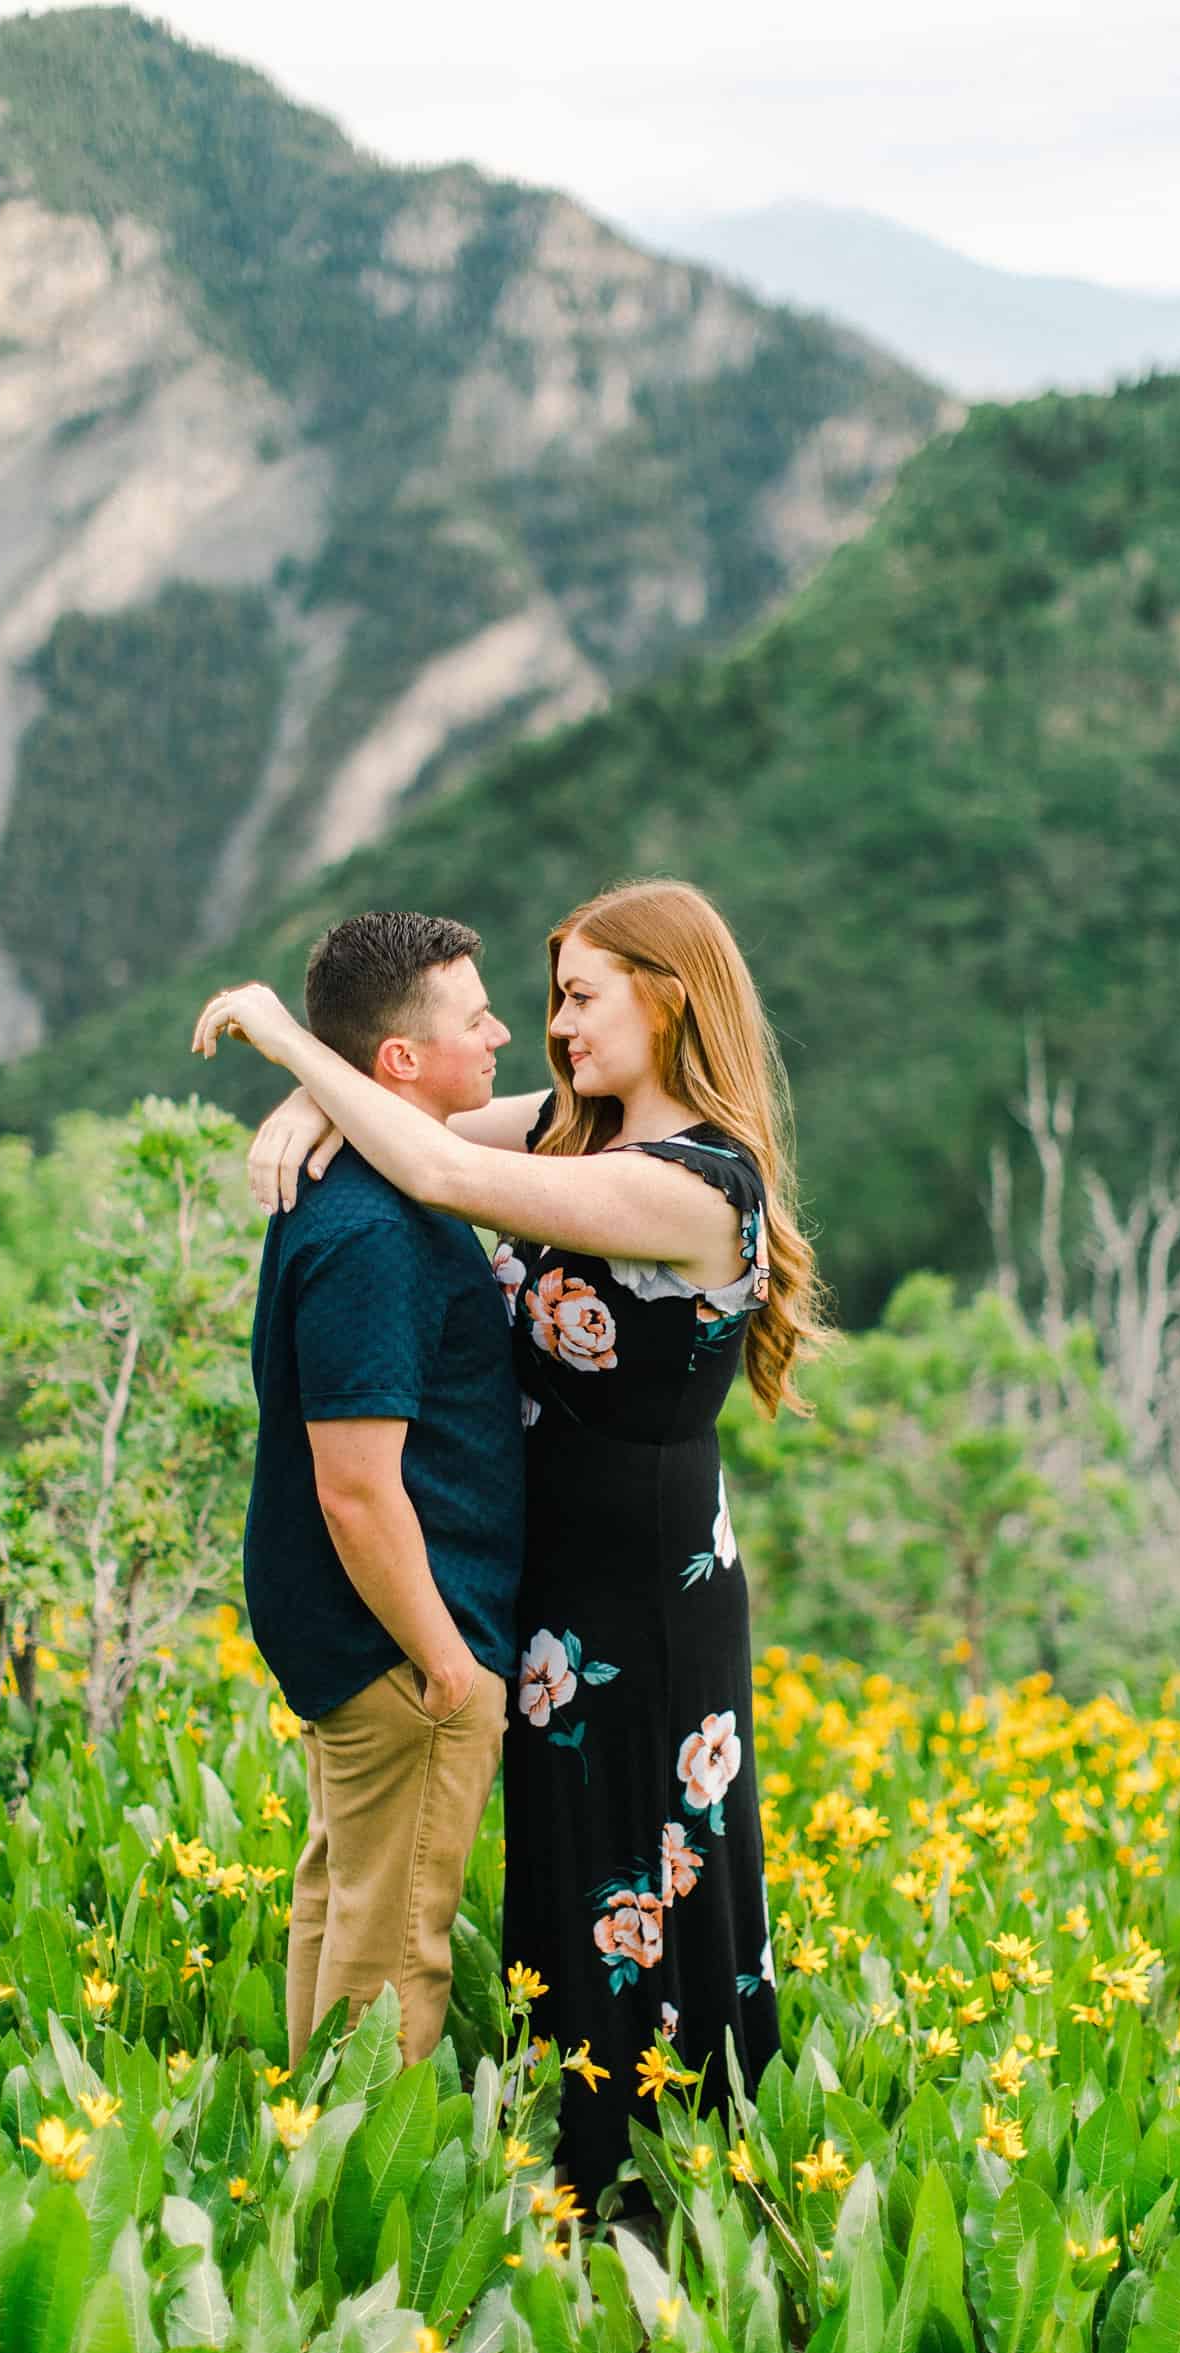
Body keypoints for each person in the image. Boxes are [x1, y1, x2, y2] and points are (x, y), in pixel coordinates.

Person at [196, 879, 827, 2208]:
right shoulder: (570, 1127)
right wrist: (333, 1091)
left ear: (669, 1000)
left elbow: (428, 1162)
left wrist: (281, 1040)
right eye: (549, 997)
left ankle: (654, 2192)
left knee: (646, 1869)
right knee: (565, 1883)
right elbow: (411, 1107)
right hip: (541, 1585)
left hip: (644, 1585)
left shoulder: (698, 1187)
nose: (552, 1026)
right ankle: (569, 2174)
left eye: (582, 996)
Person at [241, 909, 525, 2072]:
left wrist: (315, 1084)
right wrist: (449, 1666)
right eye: (475, 1017)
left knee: (344, 1907)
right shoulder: (376, 1232)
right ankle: (352, 2221)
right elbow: (356, 1487)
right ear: (399, 1060)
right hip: (401, 1642)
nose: (503, 1030)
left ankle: (301, 2176)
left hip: (356, 1632)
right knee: (397, 1947)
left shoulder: (362, 1176)